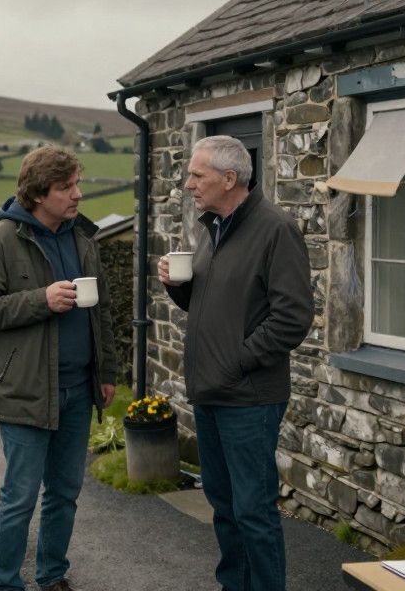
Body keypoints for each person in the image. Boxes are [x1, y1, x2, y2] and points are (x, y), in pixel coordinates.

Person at [156, 135, 312, 591]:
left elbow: (292, 318)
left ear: (229, 179)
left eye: (196, 175)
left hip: (248, 397)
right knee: (223, 507)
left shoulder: (275, 229)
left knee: (253, 510)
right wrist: (179, 287)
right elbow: (218, 308)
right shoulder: (212, 229)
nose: (188, 184)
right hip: (211, 392)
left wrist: (236, 363)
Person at [0, 146, 118, 591]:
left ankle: (53, 577)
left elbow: (102, 311)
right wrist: (41, 301)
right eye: (65, 187)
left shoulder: (82, 238)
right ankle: (5, 584)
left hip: (77, 390)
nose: (77, 194)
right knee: (19, 499)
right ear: (36, 195)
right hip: (25, 391)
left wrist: (106, 372)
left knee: (65, 495)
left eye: (76, 184)